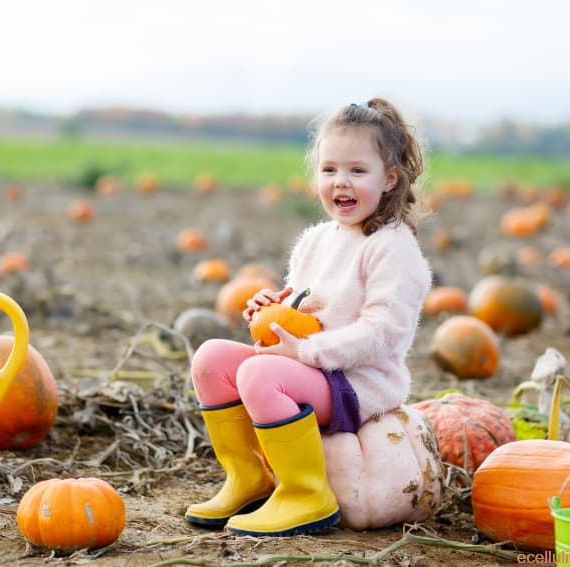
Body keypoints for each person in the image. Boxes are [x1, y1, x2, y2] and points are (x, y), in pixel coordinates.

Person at [184, 98, 432, 537]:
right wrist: (274, 309)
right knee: (211, 357)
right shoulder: (316, 241)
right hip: (312, 368)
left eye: (358, 171)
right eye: (329, 169)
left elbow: (384, 332)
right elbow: (305, 308)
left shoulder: (392, 248)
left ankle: (305, 494)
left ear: (389, 179)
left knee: (260, 375)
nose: (342, 182)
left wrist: (307, 351)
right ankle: (249, 478)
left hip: (358, 383)